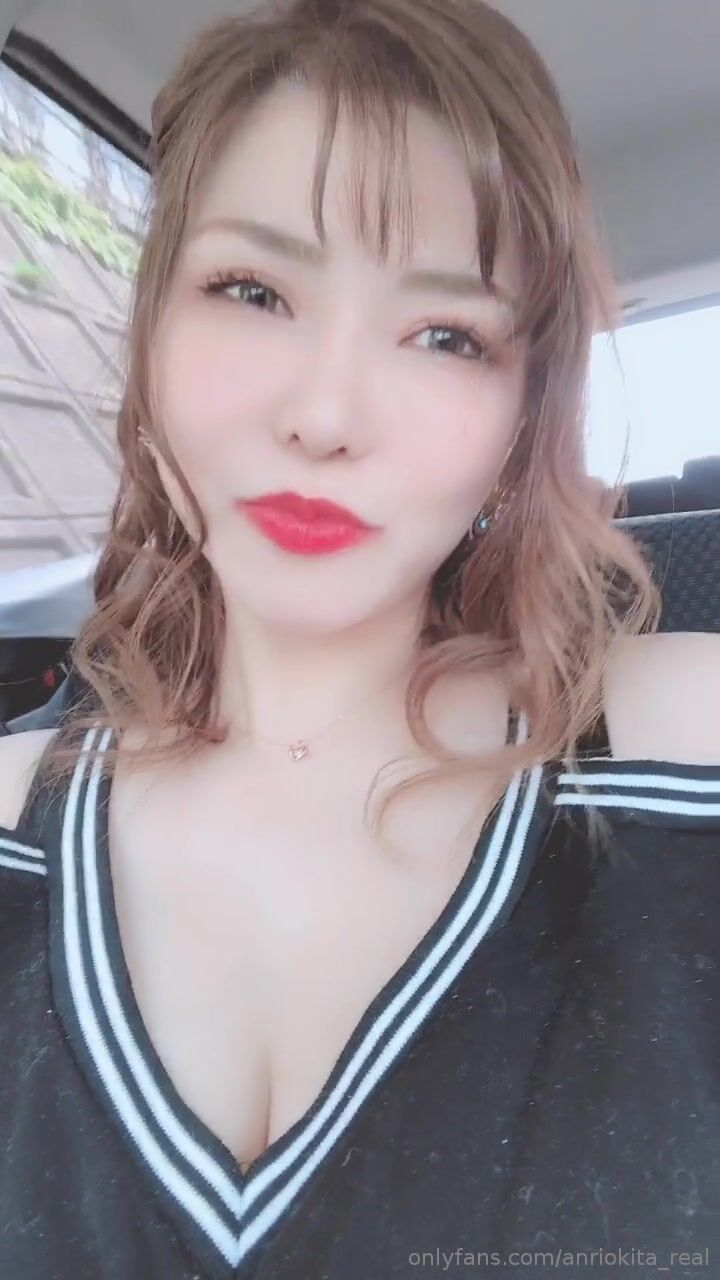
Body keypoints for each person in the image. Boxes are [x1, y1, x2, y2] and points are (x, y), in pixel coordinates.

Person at [0, 1, 718, 1276]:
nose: (326, 413)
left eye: (446, 334)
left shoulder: (689, 743)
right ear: (151, 333)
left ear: (523, 411)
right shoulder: (12, 815)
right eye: (252, 289)